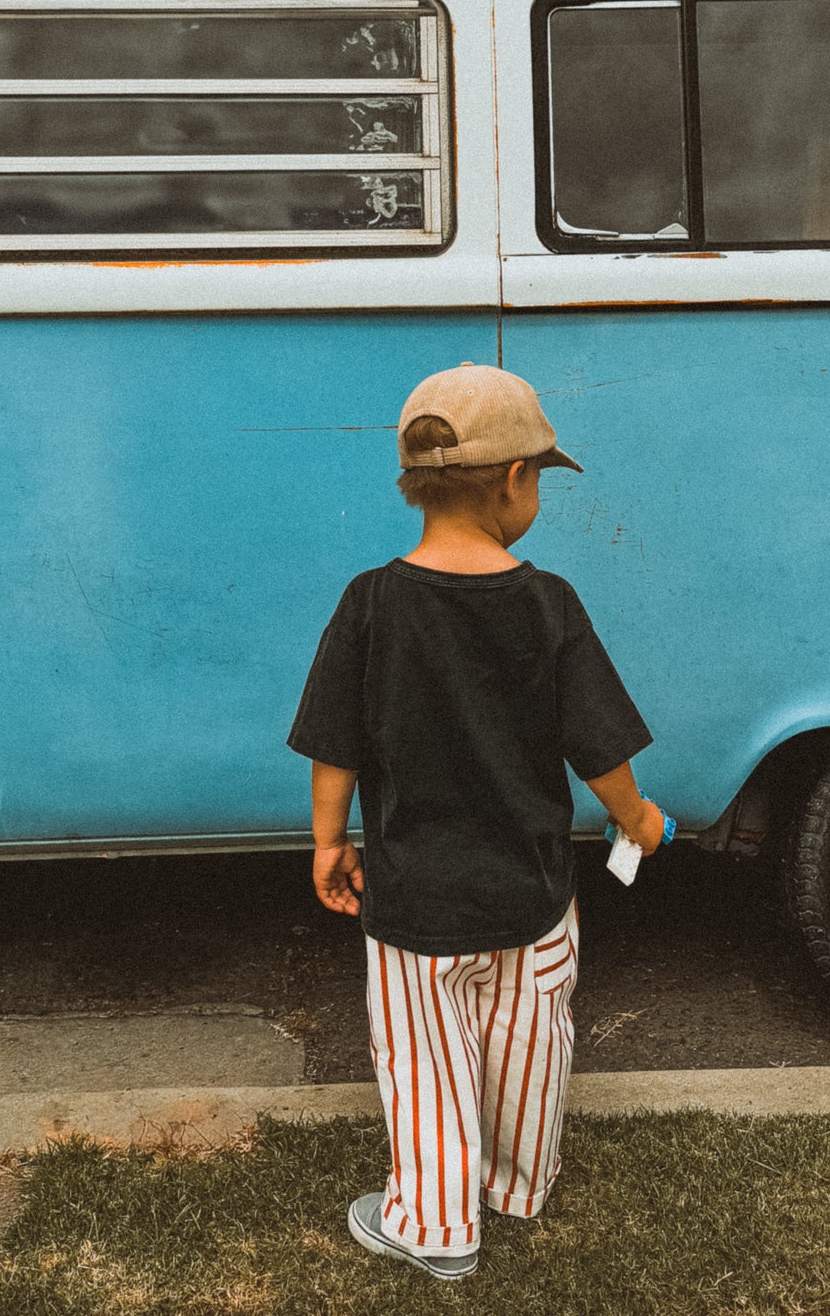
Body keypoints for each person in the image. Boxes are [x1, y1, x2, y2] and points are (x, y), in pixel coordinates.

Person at [287, 361, 665, 1282]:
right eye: (537, 475)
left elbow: (334, 743)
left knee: (426, 1060)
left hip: (415, 895)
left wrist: (329, 841)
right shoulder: (548, 603)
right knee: (529, 1039)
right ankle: (517, 1181)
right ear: (510, 481)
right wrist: (640, 817)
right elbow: (598, 749)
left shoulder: (370, 601)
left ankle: (432, 1218)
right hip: (533, 892)